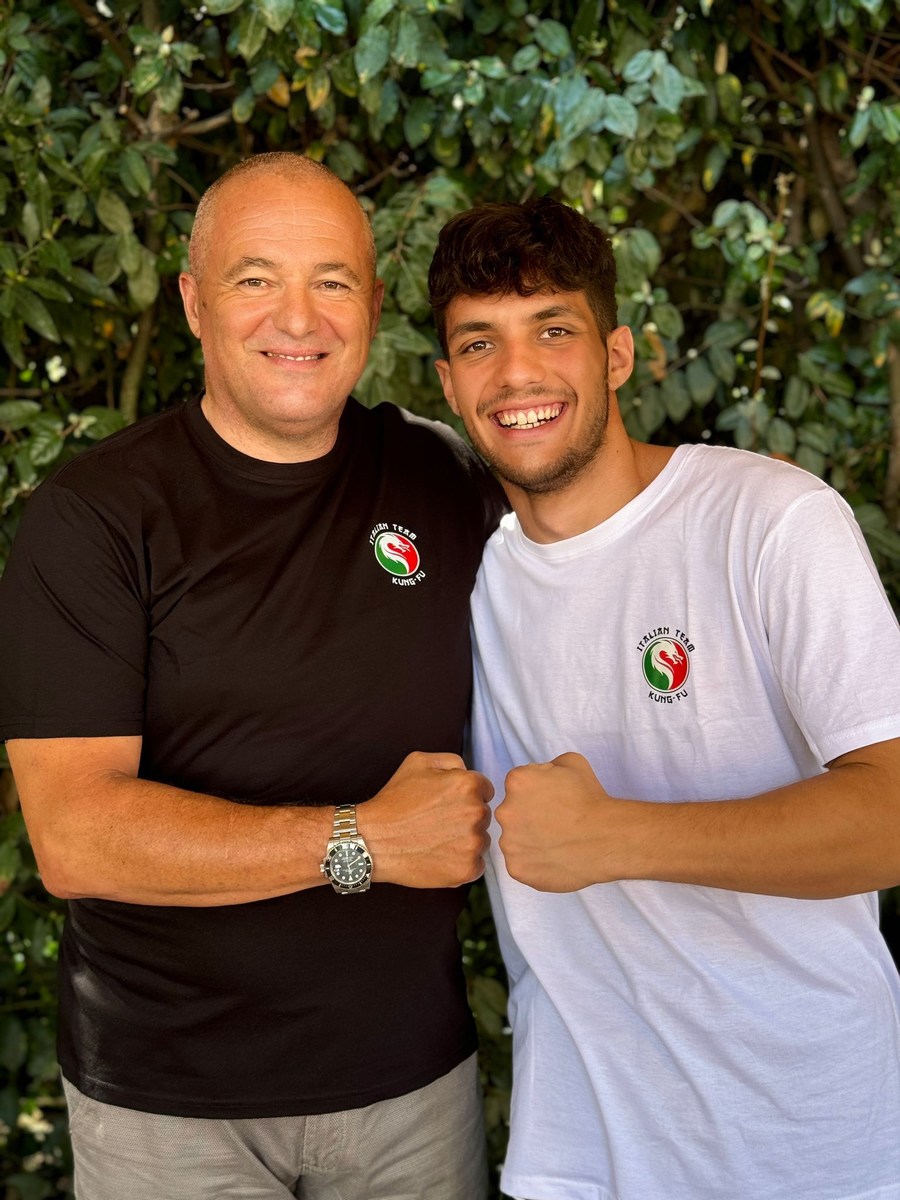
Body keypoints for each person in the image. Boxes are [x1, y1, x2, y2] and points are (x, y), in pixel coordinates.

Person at [0, 153, 506, 1200]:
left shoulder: (445, 476)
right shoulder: (96, 517)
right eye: (255, 278)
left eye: (332, 281)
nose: (299, 317)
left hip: (413, 1091)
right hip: (170, 1109)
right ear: (194, 303)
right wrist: (364, 839)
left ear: (373, 306)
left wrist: (723, 499)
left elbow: (602, 536)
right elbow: (73, 836)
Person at [427, 195, 900, 1200]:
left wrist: (618, 837)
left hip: (812, 1150)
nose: (516, 374)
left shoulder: (769, 522)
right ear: (448, 382)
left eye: (553, 330)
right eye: (479, 343)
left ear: (618, 355)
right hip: (578, 1158)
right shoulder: (465, 574)